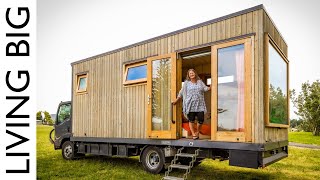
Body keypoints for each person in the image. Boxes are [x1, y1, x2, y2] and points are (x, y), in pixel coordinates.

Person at [172, 69, 211, 140]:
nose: (191, 74)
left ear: (195, 73)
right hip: (190, 104)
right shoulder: (186, 83)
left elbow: (205, 88)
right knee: (191, 120)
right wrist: (176, 100)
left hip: (200, 104)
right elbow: (181, 92)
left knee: (201, 119)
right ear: (188, 75)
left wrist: (210, 87)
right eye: (190, 73)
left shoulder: (200, 82)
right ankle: (193, 134)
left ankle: (197, 132)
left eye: (192, 73)